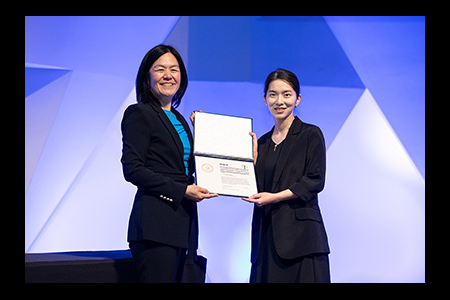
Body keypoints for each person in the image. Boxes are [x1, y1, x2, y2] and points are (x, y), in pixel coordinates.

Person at [121, 44, 218, 283]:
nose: (168, 75)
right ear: (147, 76)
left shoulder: (180, 119)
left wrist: (205, 135)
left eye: (174, 69)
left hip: (181, 222)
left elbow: (188, 167)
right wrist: (182, 190)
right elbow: (132, 168)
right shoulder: (139, 113)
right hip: (155, 223)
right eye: (160, 69)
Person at [243, 68, 330, 283]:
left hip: (302, 240)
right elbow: (255, 188)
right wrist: (251, 163)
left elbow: (314, 180)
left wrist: (275, 197)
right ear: (264, 99)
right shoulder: (261, 142)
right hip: (266, 238)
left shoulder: (310, 134)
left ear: (297, 99)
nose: (279, 101)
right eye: (272, 94)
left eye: (287, 94)